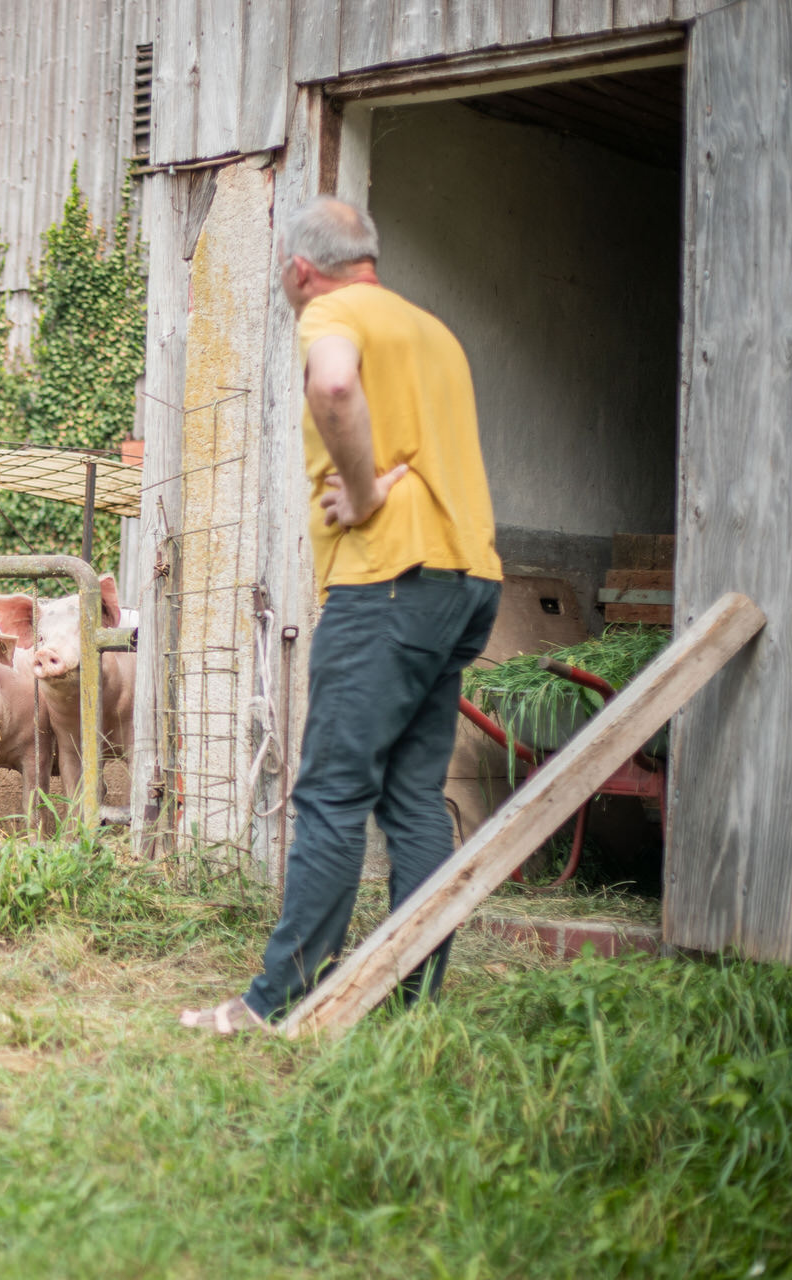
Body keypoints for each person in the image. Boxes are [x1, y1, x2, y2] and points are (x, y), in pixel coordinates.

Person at [180, 196, 502, 1036]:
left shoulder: (329, 310)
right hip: (465, 579)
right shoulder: (433, 332)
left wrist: (361, 493)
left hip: (387, 582)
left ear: (299, 269)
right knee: (413, 802)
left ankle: (274, 1004)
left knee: (330, 794)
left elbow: (332, 385)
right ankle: (411, 1005)